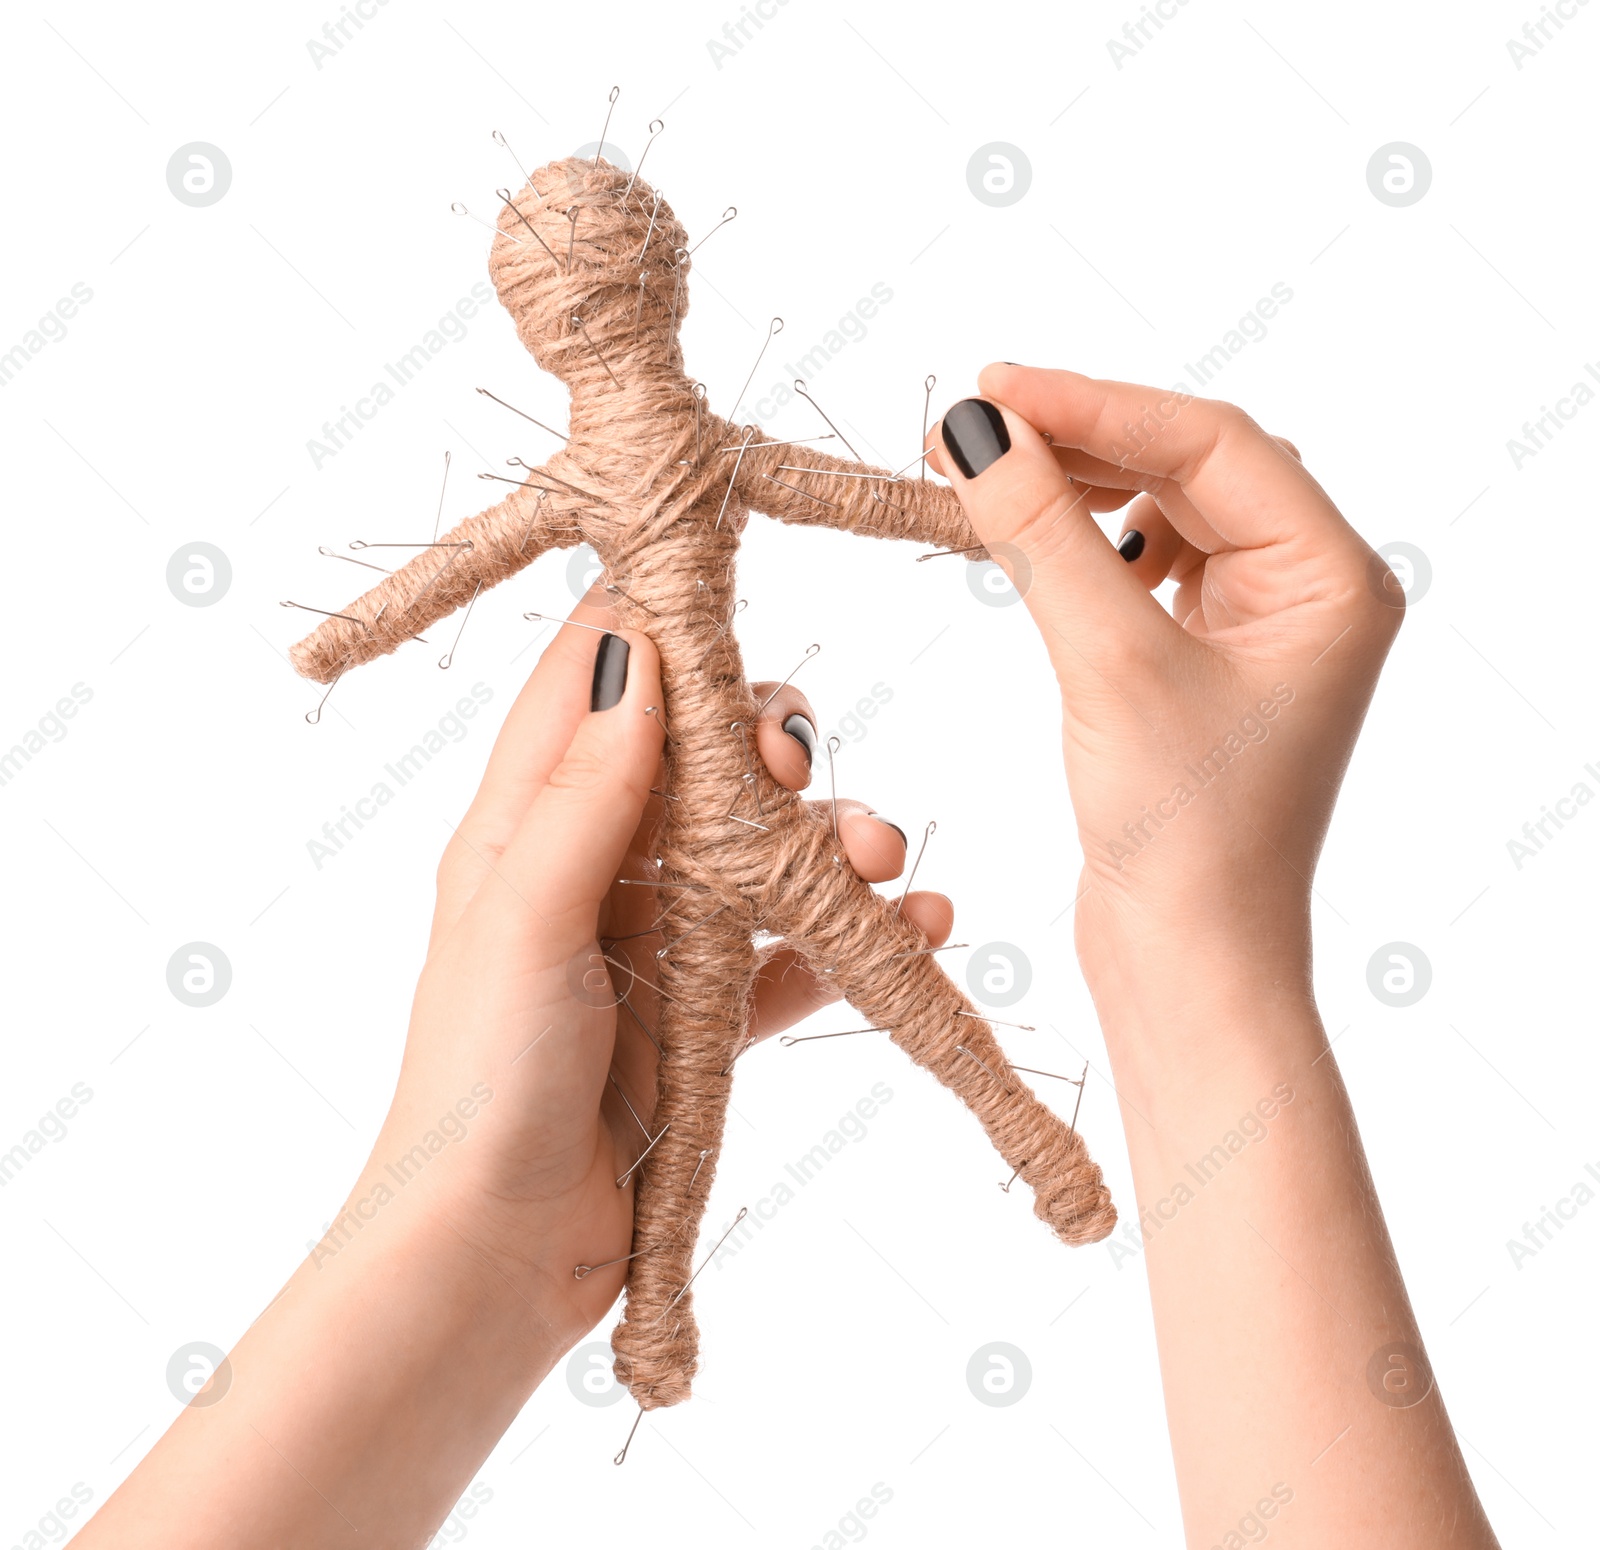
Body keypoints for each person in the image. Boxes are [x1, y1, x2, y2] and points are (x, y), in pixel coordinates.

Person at [74, 367, 1501, 1548]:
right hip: (739, 826)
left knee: (798, 1025)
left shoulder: (681, 451)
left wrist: (347, 637)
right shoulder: (684, 451)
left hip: (740, 825)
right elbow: (882, 506)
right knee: (802, 1025)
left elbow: (483, 560)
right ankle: (710, 1295)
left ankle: (714, 1297)